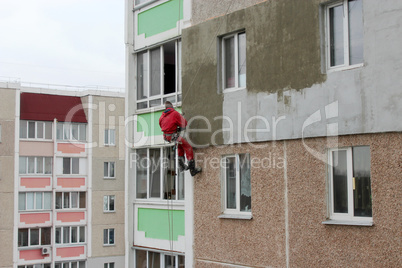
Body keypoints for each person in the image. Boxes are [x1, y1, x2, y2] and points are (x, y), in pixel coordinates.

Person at [159, 101, 202, 176]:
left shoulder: (162, 116)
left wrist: (174, 125)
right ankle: (192, 170)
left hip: (167, 137)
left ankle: (181, 166)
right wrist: (180, 118)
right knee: (188, 147)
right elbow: (184, 124)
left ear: (166, 108)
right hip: (173, 136)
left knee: (180, 147)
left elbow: (163, 126)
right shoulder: (175, 114)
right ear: (172, 106)